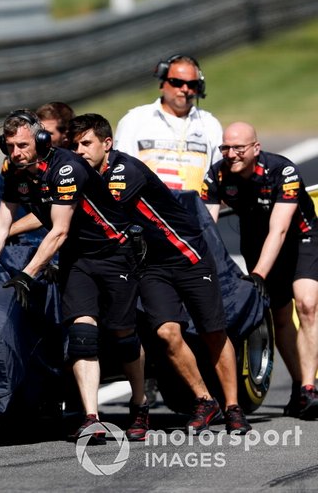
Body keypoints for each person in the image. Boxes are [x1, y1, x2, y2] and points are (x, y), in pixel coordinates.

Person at [0, 109, 149, 441]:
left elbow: (58, 231)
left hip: (114, 252)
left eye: (22, 145)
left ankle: (140, 403)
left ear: (41, 140)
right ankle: (92, 418)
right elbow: (3, 222)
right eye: (9, 146)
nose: (15, 153)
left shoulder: (67, 169)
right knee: (83, 335)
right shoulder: (14, 171)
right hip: (78, 259)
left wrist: (27, 275)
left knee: (122, 335)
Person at [71, 113, 251, 434]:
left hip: (187, 254)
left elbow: (98, 213)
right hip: (152, 266)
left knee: (212, 332)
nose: (80, 151)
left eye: (87, 143)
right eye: (75, 146)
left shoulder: (122, 171)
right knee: (166, 333)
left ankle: (234, 407)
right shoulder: (84, 176)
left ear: (107, 144)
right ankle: (205, 400)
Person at [202, 121, 318, 420]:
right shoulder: (216, 173)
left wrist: (258, 274)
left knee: (306, 304)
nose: (231, 154)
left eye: (239, 147)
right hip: (255, 238)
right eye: (225, 147)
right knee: (279, 316)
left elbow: (279, 231)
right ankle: (299, 387)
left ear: (256, 148)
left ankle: (309, 387)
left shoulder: (283, 171)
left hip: (300, 238)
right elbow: (206, 228)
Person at [114, 54, 222, 192]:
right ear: (162, 84)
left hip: (196, 211)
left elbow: (219, 177)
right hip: (147, 211)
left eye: (191, 84)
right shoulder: (134, 120)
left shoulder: (211, 124)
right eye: (176, 82)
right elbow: (120, 172)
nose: (184, 89)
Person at [7, 101, 75, 237]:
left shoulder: (75, 163)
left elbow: (49, 210)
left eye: (46, 134)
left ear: (66, 135)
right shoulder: (17, 161)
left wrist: (8, 231)